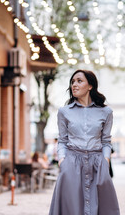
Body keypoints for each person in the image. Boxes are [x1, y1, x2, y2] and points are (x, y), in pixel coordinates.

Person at [49, 69, 120, 215]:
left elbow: (106, 141)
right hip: (72, 163)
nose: (74, 84)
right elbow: (62, 140)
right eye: (73, 82)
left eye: (79, 81)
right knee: (72, 207)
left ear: (90, 86)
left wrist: (105, 161)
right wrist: (63, 161)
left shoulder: (106, 112)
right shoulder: (64, 112)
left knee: (101, 206)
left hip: (97, 163)